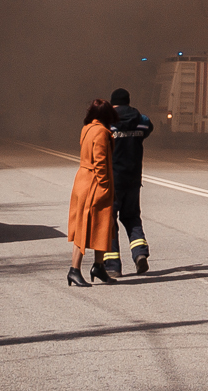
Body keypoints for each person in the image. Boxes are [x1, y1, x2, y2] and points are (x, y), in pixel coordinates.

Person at [66, 99, 117, 287]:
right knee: (86, 227)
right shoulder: (102, 133)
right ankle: (74, 269)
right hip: (94, 185)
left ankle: (98, 266)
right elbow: (101, 163)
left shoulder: (86, 129)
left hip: (82, 181)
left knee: (103, 224)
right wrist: (105, 188)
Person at [103, 88, 154, 276]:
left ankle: (113, 265)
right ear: (128, 101)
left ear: (112, 103)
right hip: (133, 178)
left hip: (113, 179)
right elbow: (149, 128)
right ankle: (140, 253)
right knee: (132, 217)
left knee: (109, 221)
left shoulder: (107, 121)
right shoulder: (141, 120)